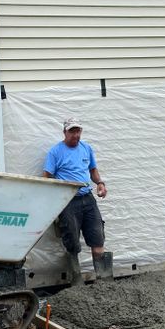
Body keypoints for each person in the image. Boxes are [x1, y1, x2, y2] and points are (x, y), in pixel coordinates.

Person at [43, 117, 110, 284]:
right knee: (71, 241)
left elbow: (93, 170)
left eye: (78, 131)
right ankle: (77, 283)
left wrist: (100, 183)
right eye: (72, 131)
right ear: (64, 132)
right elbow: (47, 177)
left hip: (88, 199)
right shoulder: (55, 152)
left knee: (97, 237)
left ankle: (103, 282)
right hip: (68, 201)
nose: (76, 134)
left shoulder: (86, 148)